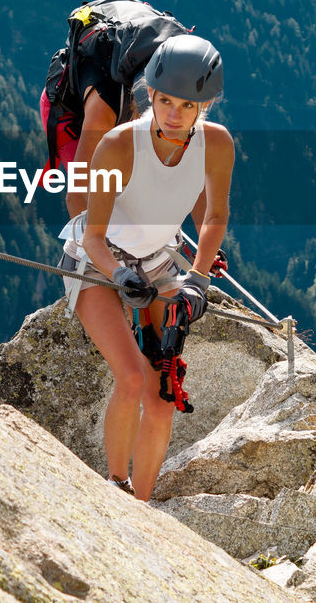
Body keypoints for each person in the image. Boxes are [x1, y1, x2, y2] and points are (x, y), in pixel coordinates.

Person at [58, 34, 233, 501]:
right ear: (150, 95)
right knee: (132, 377)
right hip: (94, 264)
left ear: (206, 106)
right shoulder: (118, 146)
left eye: (188, 105)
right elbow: (92, 237)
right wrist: (118, 275)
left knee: (163, 395)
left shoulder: (216, 146)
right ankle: (116, 486)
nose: (174, 114)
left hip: (158, 262)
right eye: (166, 101)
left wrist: (196, 279)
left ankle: (143, 506)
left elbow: (214, 217)